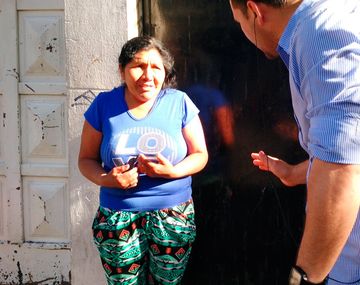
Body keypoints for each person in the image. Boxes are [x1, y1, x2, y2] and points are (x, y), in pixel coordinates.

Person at [229, 0, 360, 284]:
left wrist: (304, 278)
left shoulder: (319, 32)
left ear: (255, 11)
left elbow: (343, 166)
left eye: (239, 22)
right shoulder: (336, 16)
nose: (243, 32)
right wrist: (295, 173)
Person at [78, 35, 208, 285]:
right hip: (117, 217)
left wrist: (172, 172)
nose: (148, 75)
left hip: (173, 216)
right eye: (138, 66)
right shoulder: (104, 105)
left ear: (165, 72)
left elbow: (200, 154)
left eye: (156, 67)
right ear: (122, 70)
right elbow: (85, 159)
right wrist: (108, 179)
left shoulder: (179, 103)